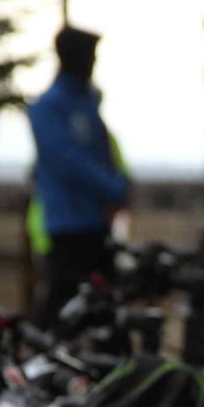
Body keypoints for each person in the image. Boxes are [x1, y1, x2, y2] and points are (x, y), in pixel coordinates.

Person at [27, 25, 128, 328]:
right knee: (63, 304)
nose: (93, 63)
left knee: (105, 308)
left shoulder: (87, 102)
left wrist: (118, 188)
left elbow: (104, 154)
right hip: (68, 222)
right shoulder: (50, 107)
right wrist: (112, 188)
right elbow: (67, 162)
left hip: (97, 220)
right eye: (90, 56)